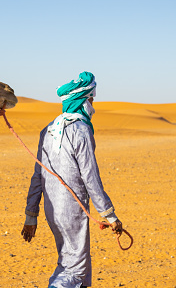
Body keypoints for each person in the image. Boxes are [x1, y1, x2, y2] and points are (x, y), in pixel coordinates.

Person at [21, 71, 123, 288]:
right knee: (74, 269)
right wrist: (110, 215)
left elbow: (37, 177)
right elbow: (91, 177)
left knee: (79, 265)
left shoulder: (48, 130)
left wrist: (32, 216)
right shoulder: (81, 130)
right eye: (91, 99)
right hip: (72, 211)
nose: (93, 105)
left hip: (52, 210)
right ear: (82, 100)